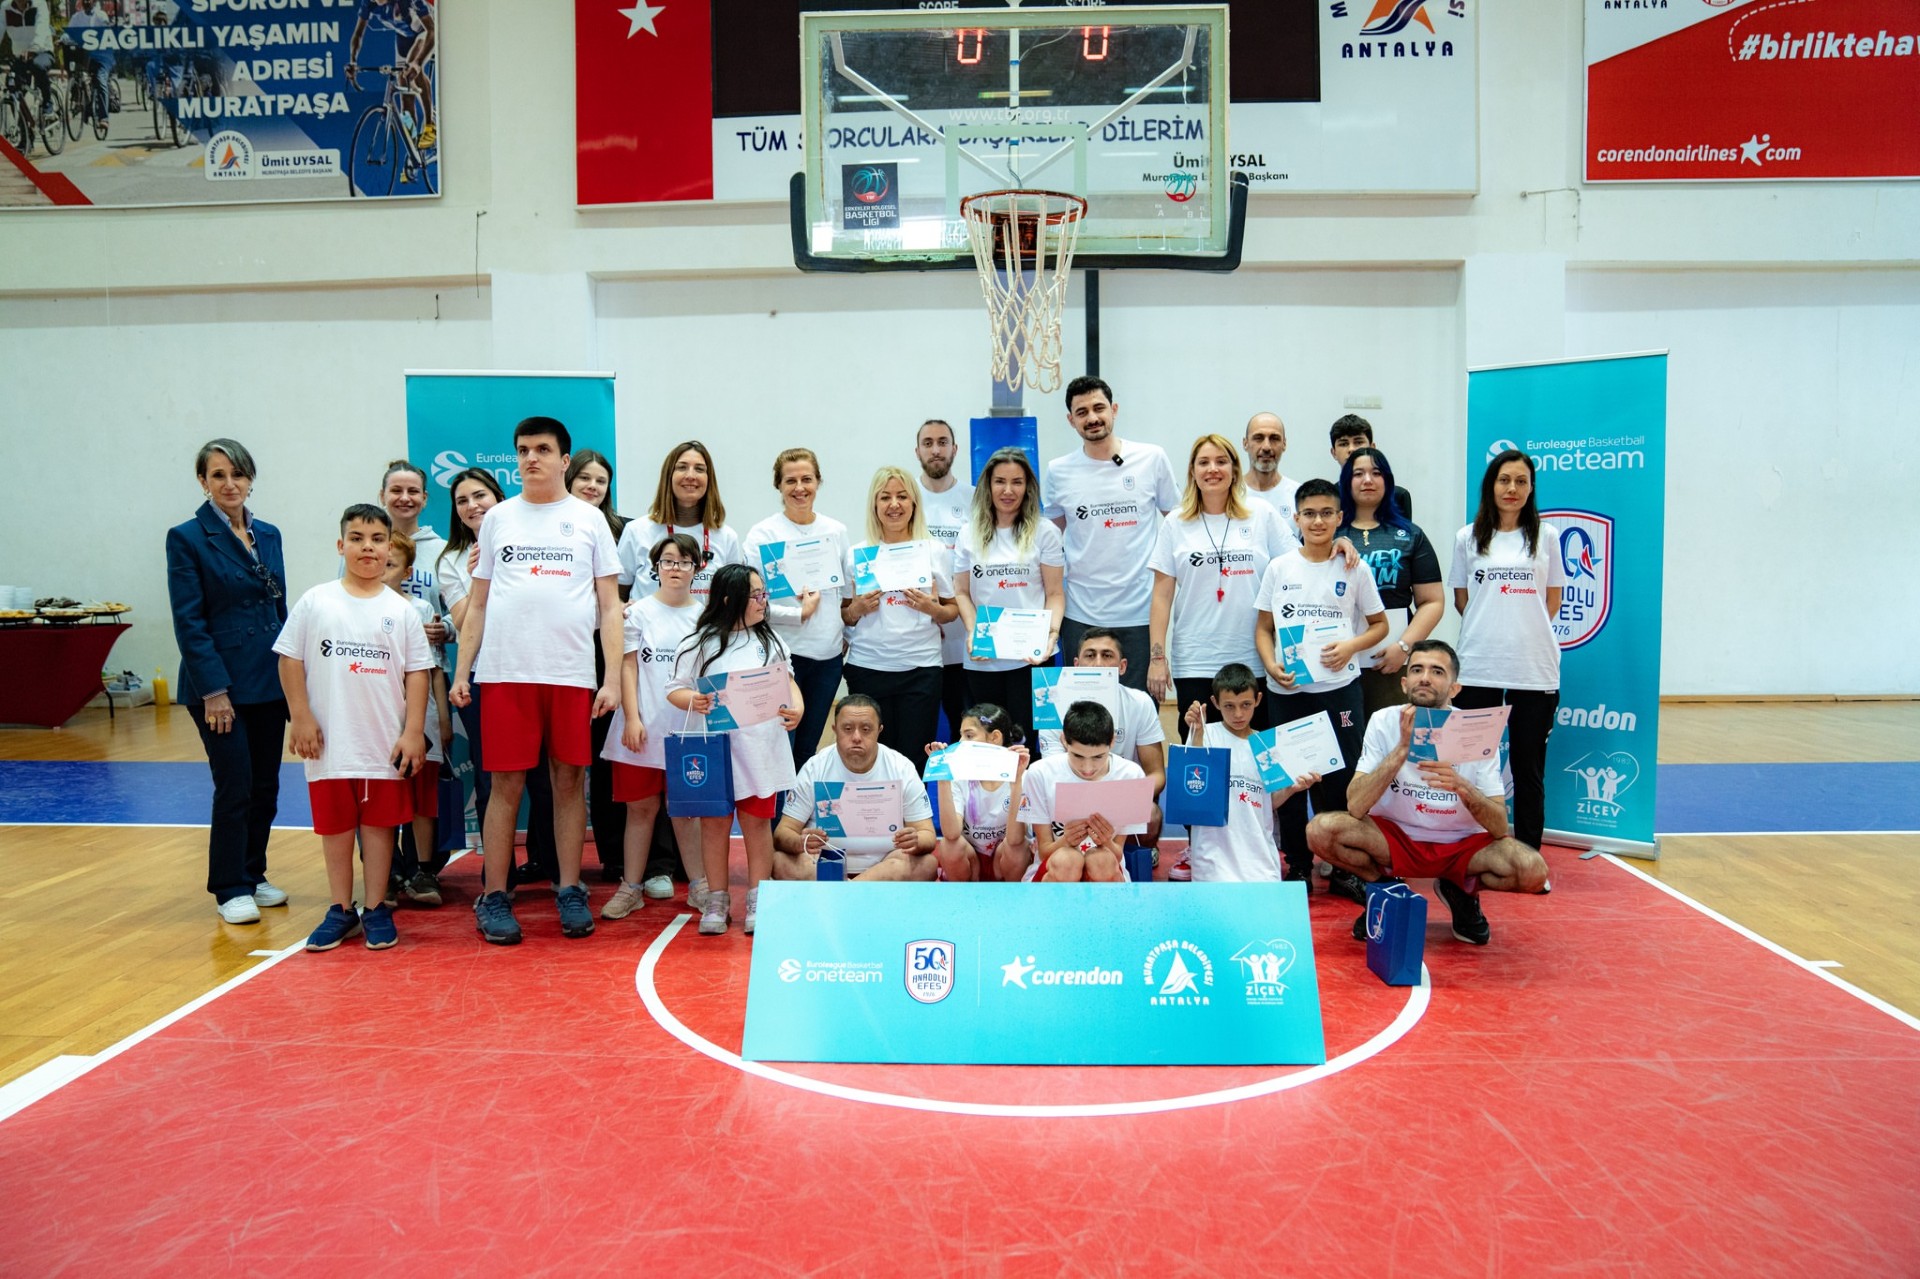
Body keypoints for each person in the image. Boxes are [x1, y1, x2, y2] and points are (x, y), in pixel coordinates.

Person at [450, 417, 623, 946]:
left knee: (569, 783)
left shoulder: (589, 520)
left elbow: (610, 607)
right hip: (505, 673)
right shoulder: (498, 519)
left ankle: (569, 888)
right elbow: (478, 603)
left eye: (543, 450)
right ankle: (494, 895)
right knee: (505, 787)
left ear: (564, 460)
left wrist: (612, 679)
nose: (531, 458)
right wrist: (462, 670)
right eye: (523, 450)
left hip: (569, 674)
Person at [1307, 640, 1550, 945]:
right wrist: (1401, 750)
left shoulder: (1477, 730)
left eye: (1437, 671)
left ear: (1454, 688)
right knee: (1321, 830)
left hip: (1461, 844)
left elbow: (1500, 826)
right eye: (1417, 669)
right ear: (1404, 682)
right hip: (1395, 838)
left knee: (1532, 869)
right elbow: (1355, 806)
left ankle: (1460, 891)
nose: (1425, 678)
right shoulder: (1384, 721)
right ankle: (1386, 890)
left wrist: (1461, 786)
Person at [275, 505, 432, 952]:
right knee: (336, 829)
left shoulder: (401, 611)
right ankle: (341, 909)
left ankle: (376, 906)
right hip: (329, 743)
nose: (368, 547)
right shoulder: (316, 601)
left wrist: (413, 731)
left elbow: (418, 673)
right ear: (341, 545)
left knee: (380, 828)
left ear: (389, 547)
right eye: (358, 538)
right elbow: (290, 659)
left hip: (382, 742)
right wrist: (301, 716)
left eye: (377, 539)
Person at [166, 439, 291, 925]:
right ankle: (229, 886)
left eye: (237, 474)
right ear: (203, 481)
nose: (230, 484)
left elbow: (280, 610)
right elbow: (189, 622)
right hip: (220, 685)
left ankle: (253, 873)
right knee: (235, 784)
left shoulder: (269, 534)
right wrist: (213, 691)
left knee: (266, 785)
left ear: (250, 478)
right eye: (218, 475)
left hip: (267, 679)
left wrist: (293, 680)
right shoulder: (187, 537)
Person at [1254, 478, 1388, 894]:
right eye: (1309, 514)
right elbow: (1263, 628)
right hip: (1288, 692)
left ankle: (1343, 866)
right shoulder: (1279, 568)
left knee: (1341, 779)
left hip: (1340, 690)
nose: (1317, 521)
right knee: (1291, 781)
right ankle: (1297, 863)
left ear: (1339, 518)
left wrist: (1350, 646)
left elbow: (1379, 625)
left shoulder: (1354, 567)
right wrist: (1271, 664)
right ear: (1296, 518)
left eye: (1326, 513)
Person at [434, 466, 561, 884]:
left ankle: (551, 867)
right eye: (462, 500)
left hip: (536, 668)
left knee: (545, 777)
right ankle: (498, 880)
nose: (473, 506)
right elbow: (463, 620)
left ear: (498, 497)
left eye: (480, 496)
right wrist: (479, 574)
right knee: (493, 778)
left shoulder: (528, 536)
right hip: (485, 676)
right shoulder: (452, 560)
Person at [667, 564, 804, 935]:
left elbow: (789, 682)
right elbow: (674, 688)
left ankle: (759, 895)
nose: (763, 601)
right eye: (755, 595)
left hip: (761, 750)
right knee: (714, 825)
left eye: (763, 594)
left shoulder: (771, 642)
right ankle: (717, 898)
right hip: (716, 752)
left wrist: (798, 707)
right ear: (730, 600)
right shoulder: (699, 643)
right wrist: (693, 699)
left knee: (757, 824)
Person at [1449, 448, 1565, 852]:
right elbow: (1463, 600)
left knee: (1528, 770)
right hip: (1477, 666)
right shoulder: (1467, 537)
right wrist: (1493, 628)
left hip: (1533, 668)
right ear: (1491, 486)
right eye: (1504, 480)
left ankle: (1528, 858)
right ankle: (1464, 852)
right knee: (1468, 766)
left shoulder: (1547, 536)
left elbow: (1552, 601)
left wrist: (1519, 631)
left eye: (1520, 481)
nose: (1512, 488)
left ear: (1531, 488)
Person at [1148, 434, 1297, 728]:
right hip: (1195, 660)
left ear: (1234, 470)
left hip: (1253, 657)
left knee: (1257, 746)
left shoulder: (1260, 514)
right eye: (1203, 462)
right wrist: (1157, 658)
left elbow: (1298, 564)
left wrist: (1337, 544)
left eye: (1221, 461)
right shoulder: (1176, 522)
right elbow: (1161, 597)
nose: (1212, 469)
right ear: (1192, 472)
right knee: (1200, 747)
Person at [1041, 376, 1181, 691]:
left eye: (1099, 408)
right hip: (1080, 613)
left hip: (1139, 614)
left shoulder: (1151, 458)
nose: (1092, 417)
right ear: (1071, 420)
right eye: (1082, 412)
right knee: (1083, 709)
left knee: (1139, 707)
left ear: (1114, 410)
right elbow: (1048, 539)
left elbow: (1178, 523)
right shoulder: (1059, 470)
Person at [599, 533, 708, 920]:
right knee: (640, 810)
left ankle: (700, 887)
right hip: (641, 729)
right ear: (655, 568)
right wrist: (632, 717)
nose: (675, 568)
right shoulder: (638, 613)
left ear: (697, 569)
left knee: (687, 812)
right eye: (668, 561)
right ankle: (631, 887)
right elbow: (627, 666)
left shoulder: (706, 619)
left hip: (689, 732)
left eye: (684, 561)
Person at [841, 465, 959, 763]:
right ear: (874, 504)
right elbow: (844, 615)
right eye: (885, 497)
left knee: (914, 759)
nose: (894, 504)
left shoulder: (933, 550)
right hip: (868, 667)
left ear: (914, 503)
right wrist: (857, 609)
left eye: (902, 496)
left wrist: (932, 609)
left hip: (921, 669)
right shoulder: (858, 554)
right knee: (871, 759)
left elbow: (951, 610)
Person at [743, 448, 848, 768]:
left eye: (807, 479)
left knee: (806, 750)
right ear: (778, 485)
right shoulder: (763, 535)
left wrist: (845, 635)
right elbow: (751, 605)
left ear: (818, 482)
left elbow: (844, 596)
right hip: (781, 656)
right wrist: (798, 614)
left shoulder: (836, 531)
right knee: (778, 748)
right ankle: (777, 805)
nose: (799, 488)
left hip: (827, 659)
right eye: (790, 481)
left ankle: (797, 805)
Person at [953, 445, 1063, 748]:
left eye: (1017, 482)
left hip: (1033, 658)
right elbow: (961, 592)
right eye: (1000, 481)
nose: (1008, 490)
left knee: (1027, 742)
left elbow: (1055, 593)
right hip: (983, 659)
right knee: (987, 744)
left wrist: (1051, 635)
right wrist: (973, 632)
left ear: (1028, 487)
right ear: (988, 485)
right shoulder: (968, 533)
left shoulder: (1045, 531)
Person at [374, 460, 449, 895]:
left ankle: (423, 869)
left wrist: (447, 630)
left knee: (422, 791)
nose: (404, 498)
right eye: (396, 490)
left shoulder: (439, 551)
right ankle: (385, 873)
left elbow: (434, 659)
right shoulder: (364, 543)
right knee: (381, 790)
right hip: (376, 701)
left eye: (413, 491)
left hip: (422, 699)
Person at [773, 694, 937, 883]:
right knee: (779, 861)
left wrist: (916, 840)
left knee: (927, 864)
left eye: (866, 729)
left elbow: (928, 835)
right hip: (823, 862)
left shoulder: (901, 767)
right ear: (835, 729)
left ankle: (845, 889)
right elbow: (783, 832)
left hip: (886, 862)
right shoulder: (815, 767)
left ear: (879, 731)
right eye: (848, 729)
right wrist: (799, 842)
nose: (857, 737)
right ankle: (858, 889)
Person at [1179, 664, 1318, 883]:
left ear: (1258, 699)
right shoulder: (1205, 735)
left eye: (1246, 705)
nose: (1238, 714)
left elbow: (1267, 802)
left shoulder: (1266, 745)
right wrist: (1196, 733)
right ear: (1215, 703)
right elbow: (1195, 791)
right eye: (1229, 706)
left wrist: (1292, 789)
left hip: (1261, 860)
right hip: (1213, 862)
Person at [1037, 627, 1167, 858]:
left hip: (1120, 796)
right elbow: (1052, 776)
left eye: (1107, 655)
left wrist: (1124, 797)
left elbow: (1156, 774)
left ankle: (1136, 855)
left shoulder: (1140, 702)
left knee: (1151, 814)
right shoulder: (1051, 704)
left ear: (1122, 666)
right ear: (1076, 664)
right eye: (1090, 655)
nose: (1098, 663)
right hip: (1070, 799)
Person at [1338, 446, 1445, 716]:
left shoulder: (1410, 535)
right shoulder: (1328, 533)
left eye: (1376, 473)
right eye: (1358, 474)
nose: (1367, 480)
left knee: (1392, 733)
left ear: (1388, 481)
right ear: (1346, 481)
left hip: (1390, 661)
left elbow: (1432, 601)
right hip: (1335, 661)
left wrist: (1404, 647)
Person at [568, 448, 633, 886]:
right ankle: (552, 860)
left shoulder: (623, 530)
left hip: (609, 653)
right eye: (585, 478)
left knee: (610, 761)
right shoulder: (548, 527)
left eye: (601, 480)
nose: (592, 486)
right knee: (564, 764)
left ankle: (615, 856)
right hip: (564, 655)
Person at [1014, 700, 1147, 883]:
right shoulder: (1040, 773)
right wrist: (1066, 840)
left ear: (1112, 741)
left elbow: (1117, 854)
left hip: (1105, 867)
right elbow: (1044, 852)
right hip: (1055, 867)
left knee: (1101, 861)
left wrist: (1106, 840)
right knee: (1067, 861)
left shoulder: (1131, 775)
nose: (1087, 768)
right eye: (1078, 756)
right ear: (1064, 740)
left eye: (1098, 757)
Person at [617, 439, 744, 605]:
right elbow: (617, 595)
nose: (690, 476)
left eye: (699, 469)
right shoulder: (636, 531)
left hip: (705, 623)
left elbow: (732, 600)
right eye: (682, 467)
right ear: (668, 476)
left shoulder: (726, 537)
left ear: (709, 480)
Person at [912, 419, 975, 739]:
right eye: (928, 443)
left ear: (955, 449)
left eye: (942, 442)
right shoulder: (905, 497)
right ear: (917, 451)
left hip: (963, 636)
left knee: (967, 724)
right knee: (918, 731)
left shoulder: (975, 498)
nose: (935, 450)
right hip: (918, 637)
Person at [926, 702, 1030, 883]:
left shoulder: (1024, 776)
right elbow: (951, 834)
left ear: (995, 737)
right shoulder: (958, 776)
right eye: (960, 735)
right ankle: (961, 896)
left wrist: (1016, 785)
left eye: (969, 735)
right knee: (949, 846)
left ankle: (1014, 895)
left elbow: (1015, 839)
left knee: (1017, 848)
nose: (960, 743)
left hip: (1004, 862)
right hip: (970, 862)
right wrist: (943, 778)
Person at [346, 0, 435, 150]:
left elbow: (432, 31)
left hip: (426, 31)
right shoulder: (369, 3)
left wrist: (418, 63)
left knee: (412, 68)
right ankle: (414, 149)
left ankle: (430, 124)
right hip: (404, 35)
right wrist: (353, 62)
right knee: (403, 89)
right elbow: (359, 33)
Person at [1328, 414, 1414, 518]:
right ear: (1334, 453)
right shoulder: (1326, 497)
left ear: (1372, 448)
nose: (1351, 449)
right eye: (1343, 444)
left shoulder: (1397, 496)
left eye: (1358, 442)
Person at [1241, 412, 1306, 524]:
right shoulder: (1229, 493)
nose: (1266, 447)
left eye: (1274, 438)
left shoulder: (1298, 494)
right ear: (1245, 443)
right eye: (1258, 438)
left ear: (1284, 444)